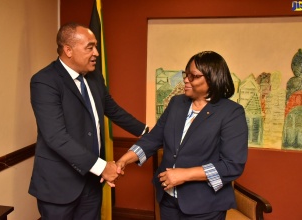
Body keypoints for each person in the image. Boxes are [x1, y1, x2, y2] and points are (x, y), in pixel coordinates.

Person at [28, 22, 147, 220]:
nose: (97, 53)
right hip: (59, 186)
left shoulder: (94, 77)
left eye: (96, 47)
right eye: (90, 47)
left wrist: (148, 132)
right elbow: (56, 136)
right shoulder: (44, 81)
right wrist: (102, 167)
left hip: (92, 183)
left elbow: (113, 110)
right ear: (68, 50)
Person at [116, 51, 248, 220]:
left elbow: (233, 165)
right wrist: (123, 160)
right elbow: (153, 138)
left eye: (194, 76)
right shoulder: (177, 103)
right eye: (186, 74)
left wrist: (184, 174)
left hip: (205, 206)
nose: (186, 79)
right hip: (168, 199)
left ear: (212, 78)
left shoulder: (231, 112)